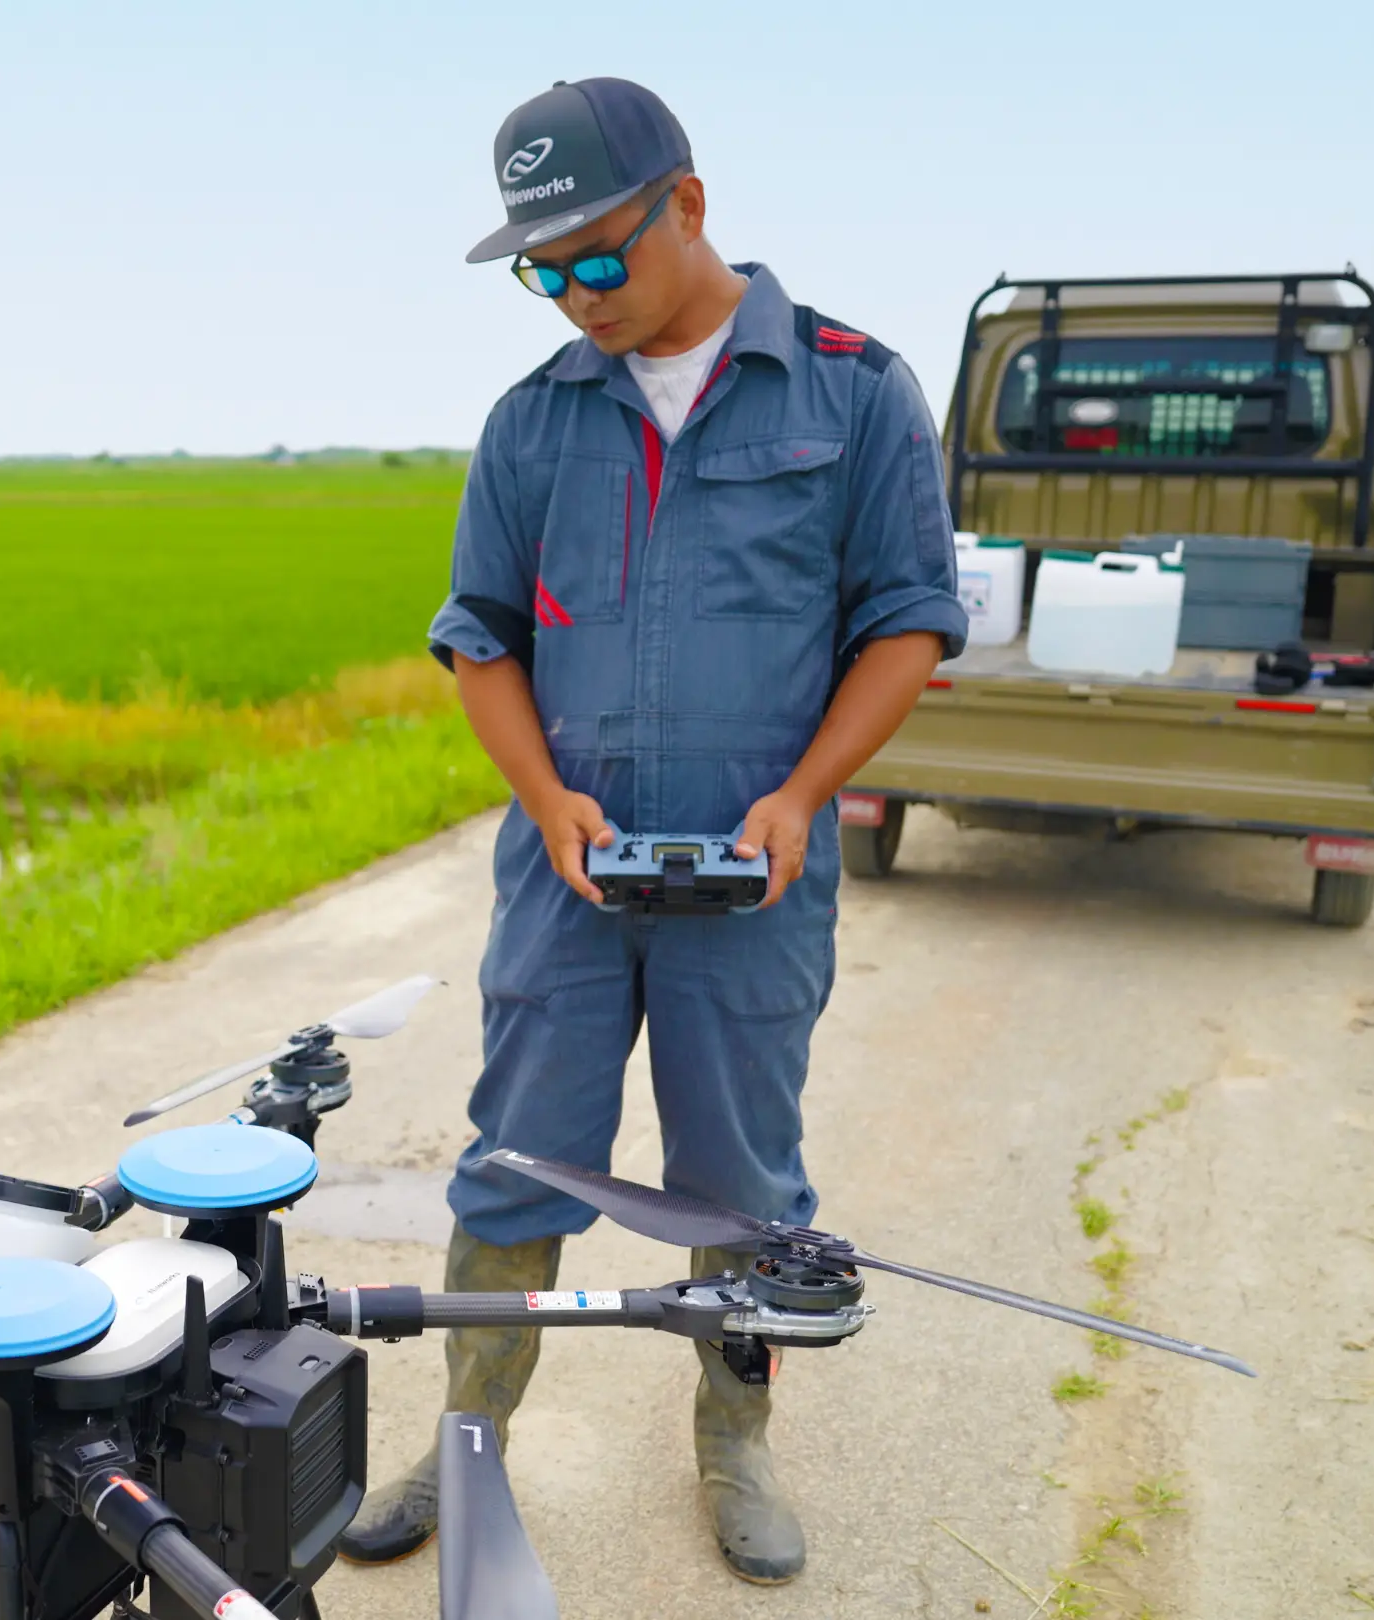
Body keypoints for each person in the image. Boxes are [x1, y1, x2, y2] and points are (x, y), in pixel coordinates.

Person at [334, 77, 966, 1584]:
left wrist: (803, 797)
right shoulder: (536, 421)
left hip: (755, 878)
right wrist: (545, 800)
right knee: (517, 1168)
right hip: (568, 879)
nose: (571, 296)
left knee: (742, 1186)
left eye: (596, 258)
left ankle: (733, 1440)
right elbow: (479, 635)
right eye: (541, 272)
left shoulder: (851, 390)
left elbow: (908, 622)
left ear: (689, 203)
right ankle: (469, 1438)